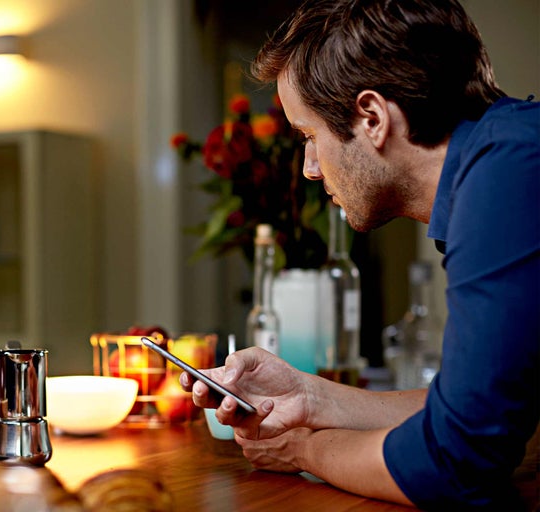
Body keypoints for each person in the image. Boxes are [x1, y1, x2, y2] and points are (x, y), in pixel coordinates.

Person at [180, 0, 539, 509]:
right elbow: (472, 410)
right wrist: (311, 398)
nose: (309, 167)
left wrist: (305, 449)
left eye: (310, 136)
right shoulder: (504, 158)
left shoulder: (507, 177)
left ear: (371, 117)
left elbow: (456, 461)